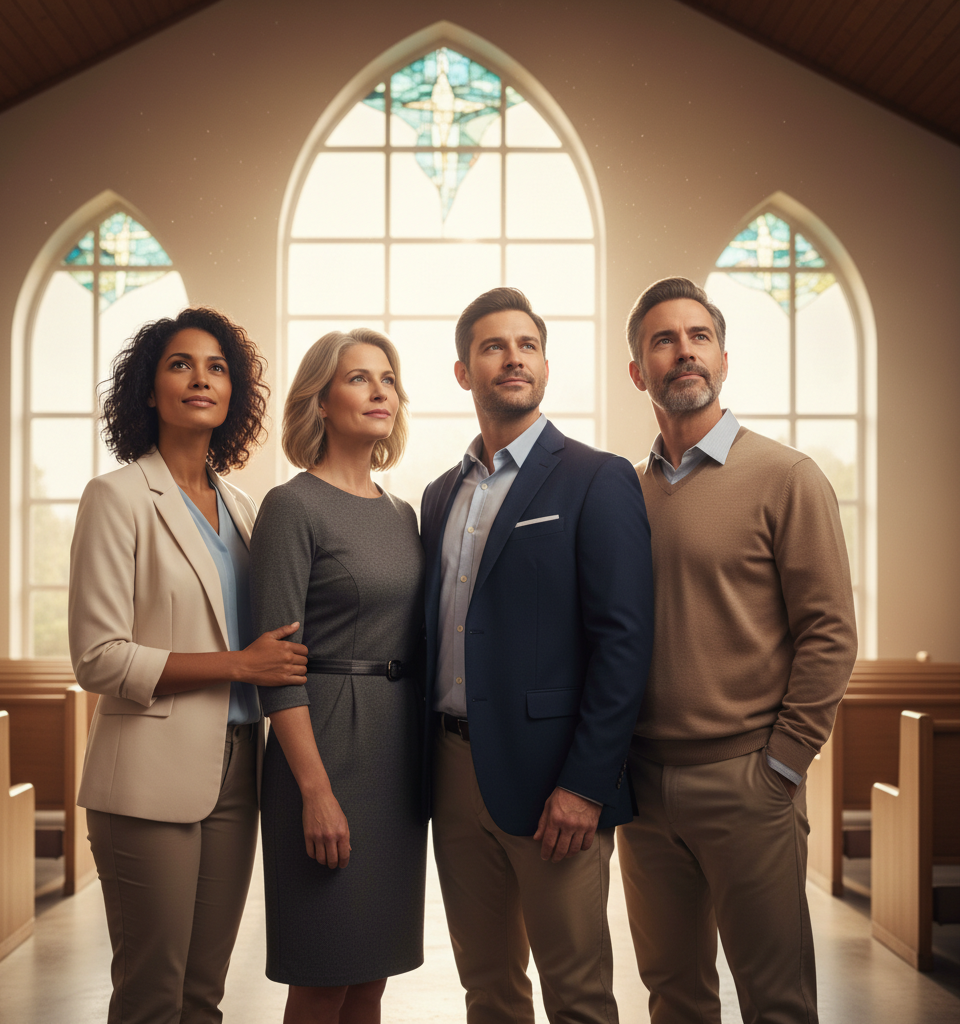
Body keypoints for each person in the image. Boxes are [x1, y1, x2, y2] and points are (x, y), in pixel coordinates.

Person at [617, 277, 858, 1023]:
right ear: (638, 372)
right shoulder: (625, 493)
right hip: (642, 793)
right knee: (674, 998)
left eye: (698, 337)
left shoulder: (786, 477)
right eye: (663, 339)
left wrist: (782, 764)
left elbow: (830, 632)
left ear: (724, 360)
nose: (683, 351)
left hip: (747, 782)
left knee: (777, 1002)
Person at [420, 286, 655, 1024]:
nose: (513, 358)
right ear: (464, 372)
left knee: (577, 992)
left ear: (546, 366)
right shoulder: (438, 495)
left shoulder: (596, 477)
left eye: (526, 345)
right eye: (493, 346)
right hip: (453, 776)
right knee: (488, 986)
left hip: (556, 779)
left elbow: (624, 640)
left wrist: (586, 784)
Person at [68, 307, 308, 1024]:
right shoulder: (115, 498)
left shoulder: (241, 507)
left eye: (217, 367)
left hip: (237, 769)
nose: (200, 378)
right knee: (151, 995)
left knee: (203, 995)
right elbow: (99, 657)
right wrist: (238, 665)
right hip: (145, 777)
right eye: (180, 364)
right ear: (149, 389)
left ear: (234, 394)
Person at [251, 328, 426, 1024]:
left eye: (387, 378)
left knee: (372, 976)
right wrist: (314, 793)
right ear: (319, 401)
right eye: (359, 378)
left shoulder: (402, 513)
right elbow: (277, 668)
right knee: (324, 975)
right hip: (323, 751)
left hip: (394, 760)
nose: (380, 390)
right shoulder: (292, 507)